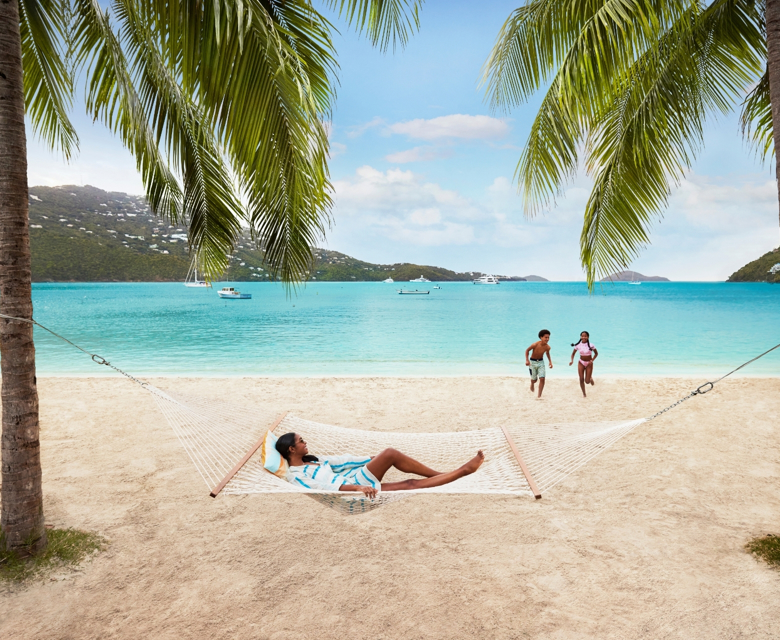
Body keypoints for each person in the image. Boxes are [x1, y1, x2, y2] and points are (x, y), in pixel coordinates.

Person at [275, 433, 485, 499]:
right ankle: (460, 471)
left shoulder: (314, 460)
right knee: (391, 453)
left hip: (355, 479)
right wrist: (358, 488)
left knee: (411, 483)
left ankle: (457, 473)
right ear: (291, 450)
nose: (305, 443)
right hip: (353, 488)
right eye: (301, 441)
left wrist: (370, 458)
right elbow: (326, 489)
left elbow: (342, 461)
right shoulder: (295, 475)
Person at [569, 331, 598, 397]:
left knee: (587, 381)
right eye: (582, 336)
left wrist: (592, 360)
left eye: (585, 336)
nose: (584, 337)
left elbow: (596, 353)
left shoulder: (591, 345)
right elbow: (573, 354)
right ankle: (584, 394)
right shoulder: (578, 345)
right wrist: (572, 361)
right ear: (580, 337)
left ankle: (590, 378)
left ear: (588, 337)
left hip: (589, 363)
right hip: (581, 362)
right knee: (581, 379)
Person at [525, 329, 553, 398]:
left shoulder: (547, 347)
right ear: (541, 337)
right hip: (532, 362)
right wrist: (527, 360)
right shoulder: (535, 344)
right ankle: (532, 383)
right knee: (534, 380)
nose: (547, 339)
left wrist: (550, 362)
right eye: (545, 337)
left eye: (548, 337)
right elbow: (527, 350)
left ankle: (539, 395)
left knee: (542, 378)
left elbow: (547, 353)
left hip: (541, 362)